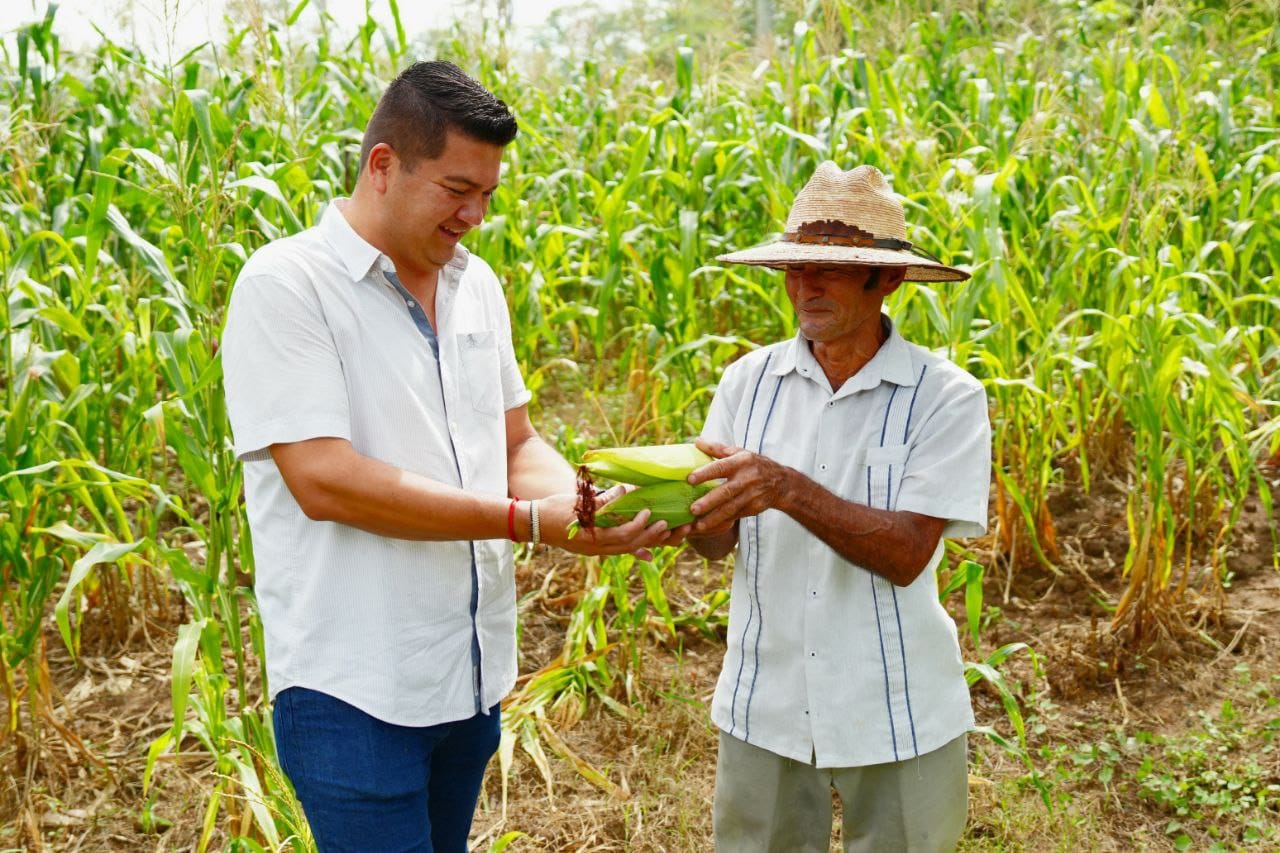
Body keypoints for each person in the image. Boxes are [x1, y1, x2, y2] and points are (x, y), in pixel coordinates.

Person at [221, 61, 674, 852]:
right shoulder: (289, 286)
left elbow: (515, 442)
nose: (475, 215)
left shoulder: (477, 286)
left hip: (468, 678)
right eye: (457, 189)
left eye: (489, 195)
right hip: (352, 690)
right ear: (384, 166)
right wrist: (528, 520)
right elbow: (324, 479)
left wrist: (590, 505)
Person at [685, 161, 991, 852]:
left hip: (895, 703)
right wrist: (683, 513)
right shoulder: (747, 382)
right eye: (796, 268)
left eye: (829, 268)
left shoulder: (945, 398)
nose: (806, 286)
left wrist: (786, 487)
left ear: (888, 279)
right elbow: (713, 543)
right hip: (765, 700)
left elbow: (909, 553)